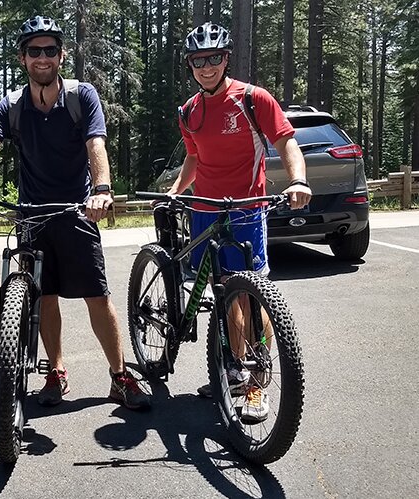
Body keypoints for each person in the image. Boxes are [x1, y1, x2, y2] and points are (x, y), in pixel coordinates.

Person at [0, 15, 150, 410]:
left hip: (76, 211)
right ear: (22, 58)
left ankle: (120, 376)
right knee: (44, 297)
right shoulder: (13, 105)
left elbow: (96, 146)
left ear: (61, 55)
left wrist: (102, 190)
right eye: (34, 51)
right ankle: (55, 371)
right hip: (32, 214)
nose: (43, 58)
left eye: (50, 50)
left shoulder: (81, 96)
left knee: (96, 295)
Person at [168, 22, 312, 421]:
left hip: (247, 210)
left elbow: (286, 142)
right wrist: (179, 189)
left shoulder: (253, 99)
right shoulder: (190, 111)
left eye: (213, 58)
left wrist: (298, 179)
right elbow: (195, 158)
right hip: (205, 212)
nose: (206, 67)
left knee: (250, 296)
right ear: (191, 66)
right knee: (222, 293)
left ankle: (255, 379)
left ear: (226, 58)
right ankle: (229, 368)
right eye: (199, 61)